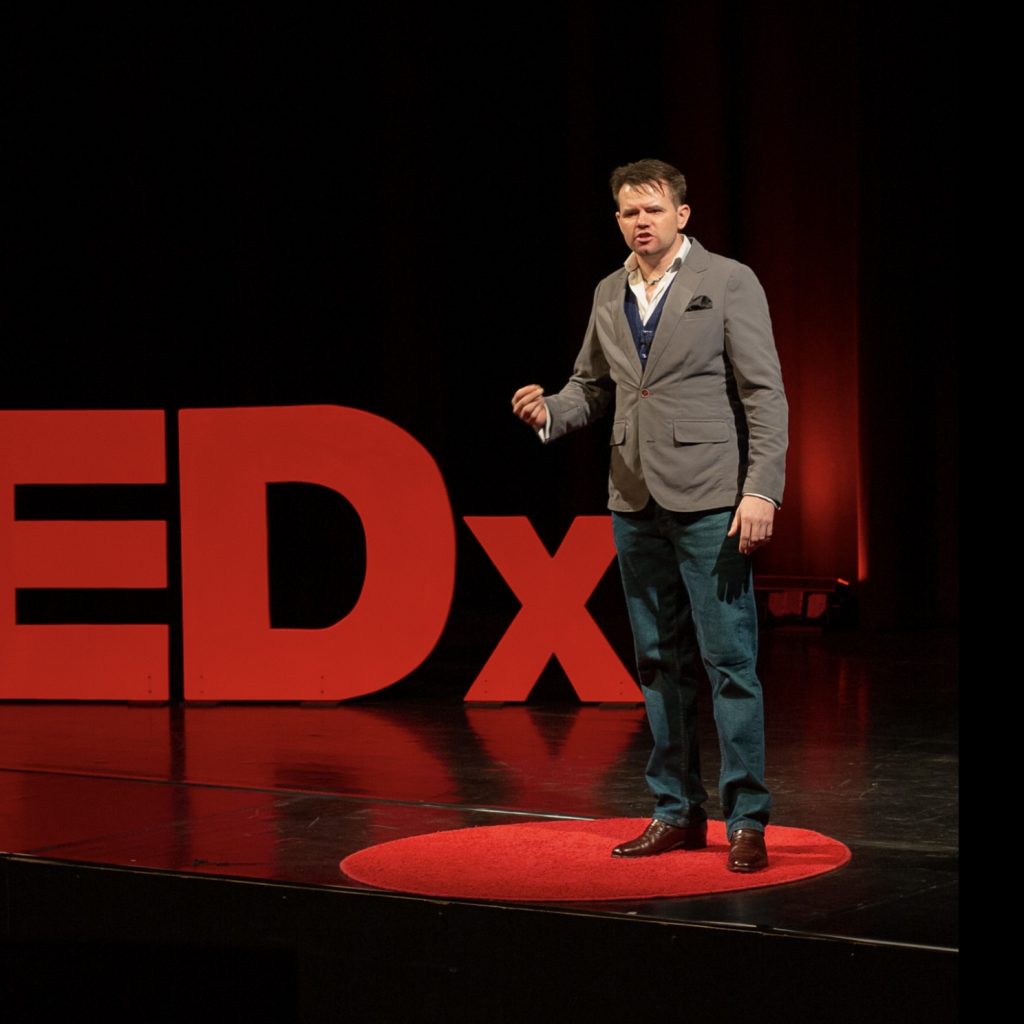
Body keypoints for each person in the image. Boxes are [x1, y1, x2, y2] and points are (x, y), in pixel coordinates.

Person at [512, 158, 787, 872]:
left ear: (681, 215)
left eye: (654, 210)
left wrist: (762, 490)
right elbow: (591, 385)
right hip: (633, 499)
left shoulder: (728, 280)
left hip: (712, 500)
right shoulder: (610, 290)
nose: (642, 222)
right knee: (658, 662)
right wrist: (550, 412)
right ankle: (675, 811)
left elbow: (763, 393)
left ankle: (746, 820)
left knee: (729, 663)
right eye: (630, 212)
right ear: (618, 220)